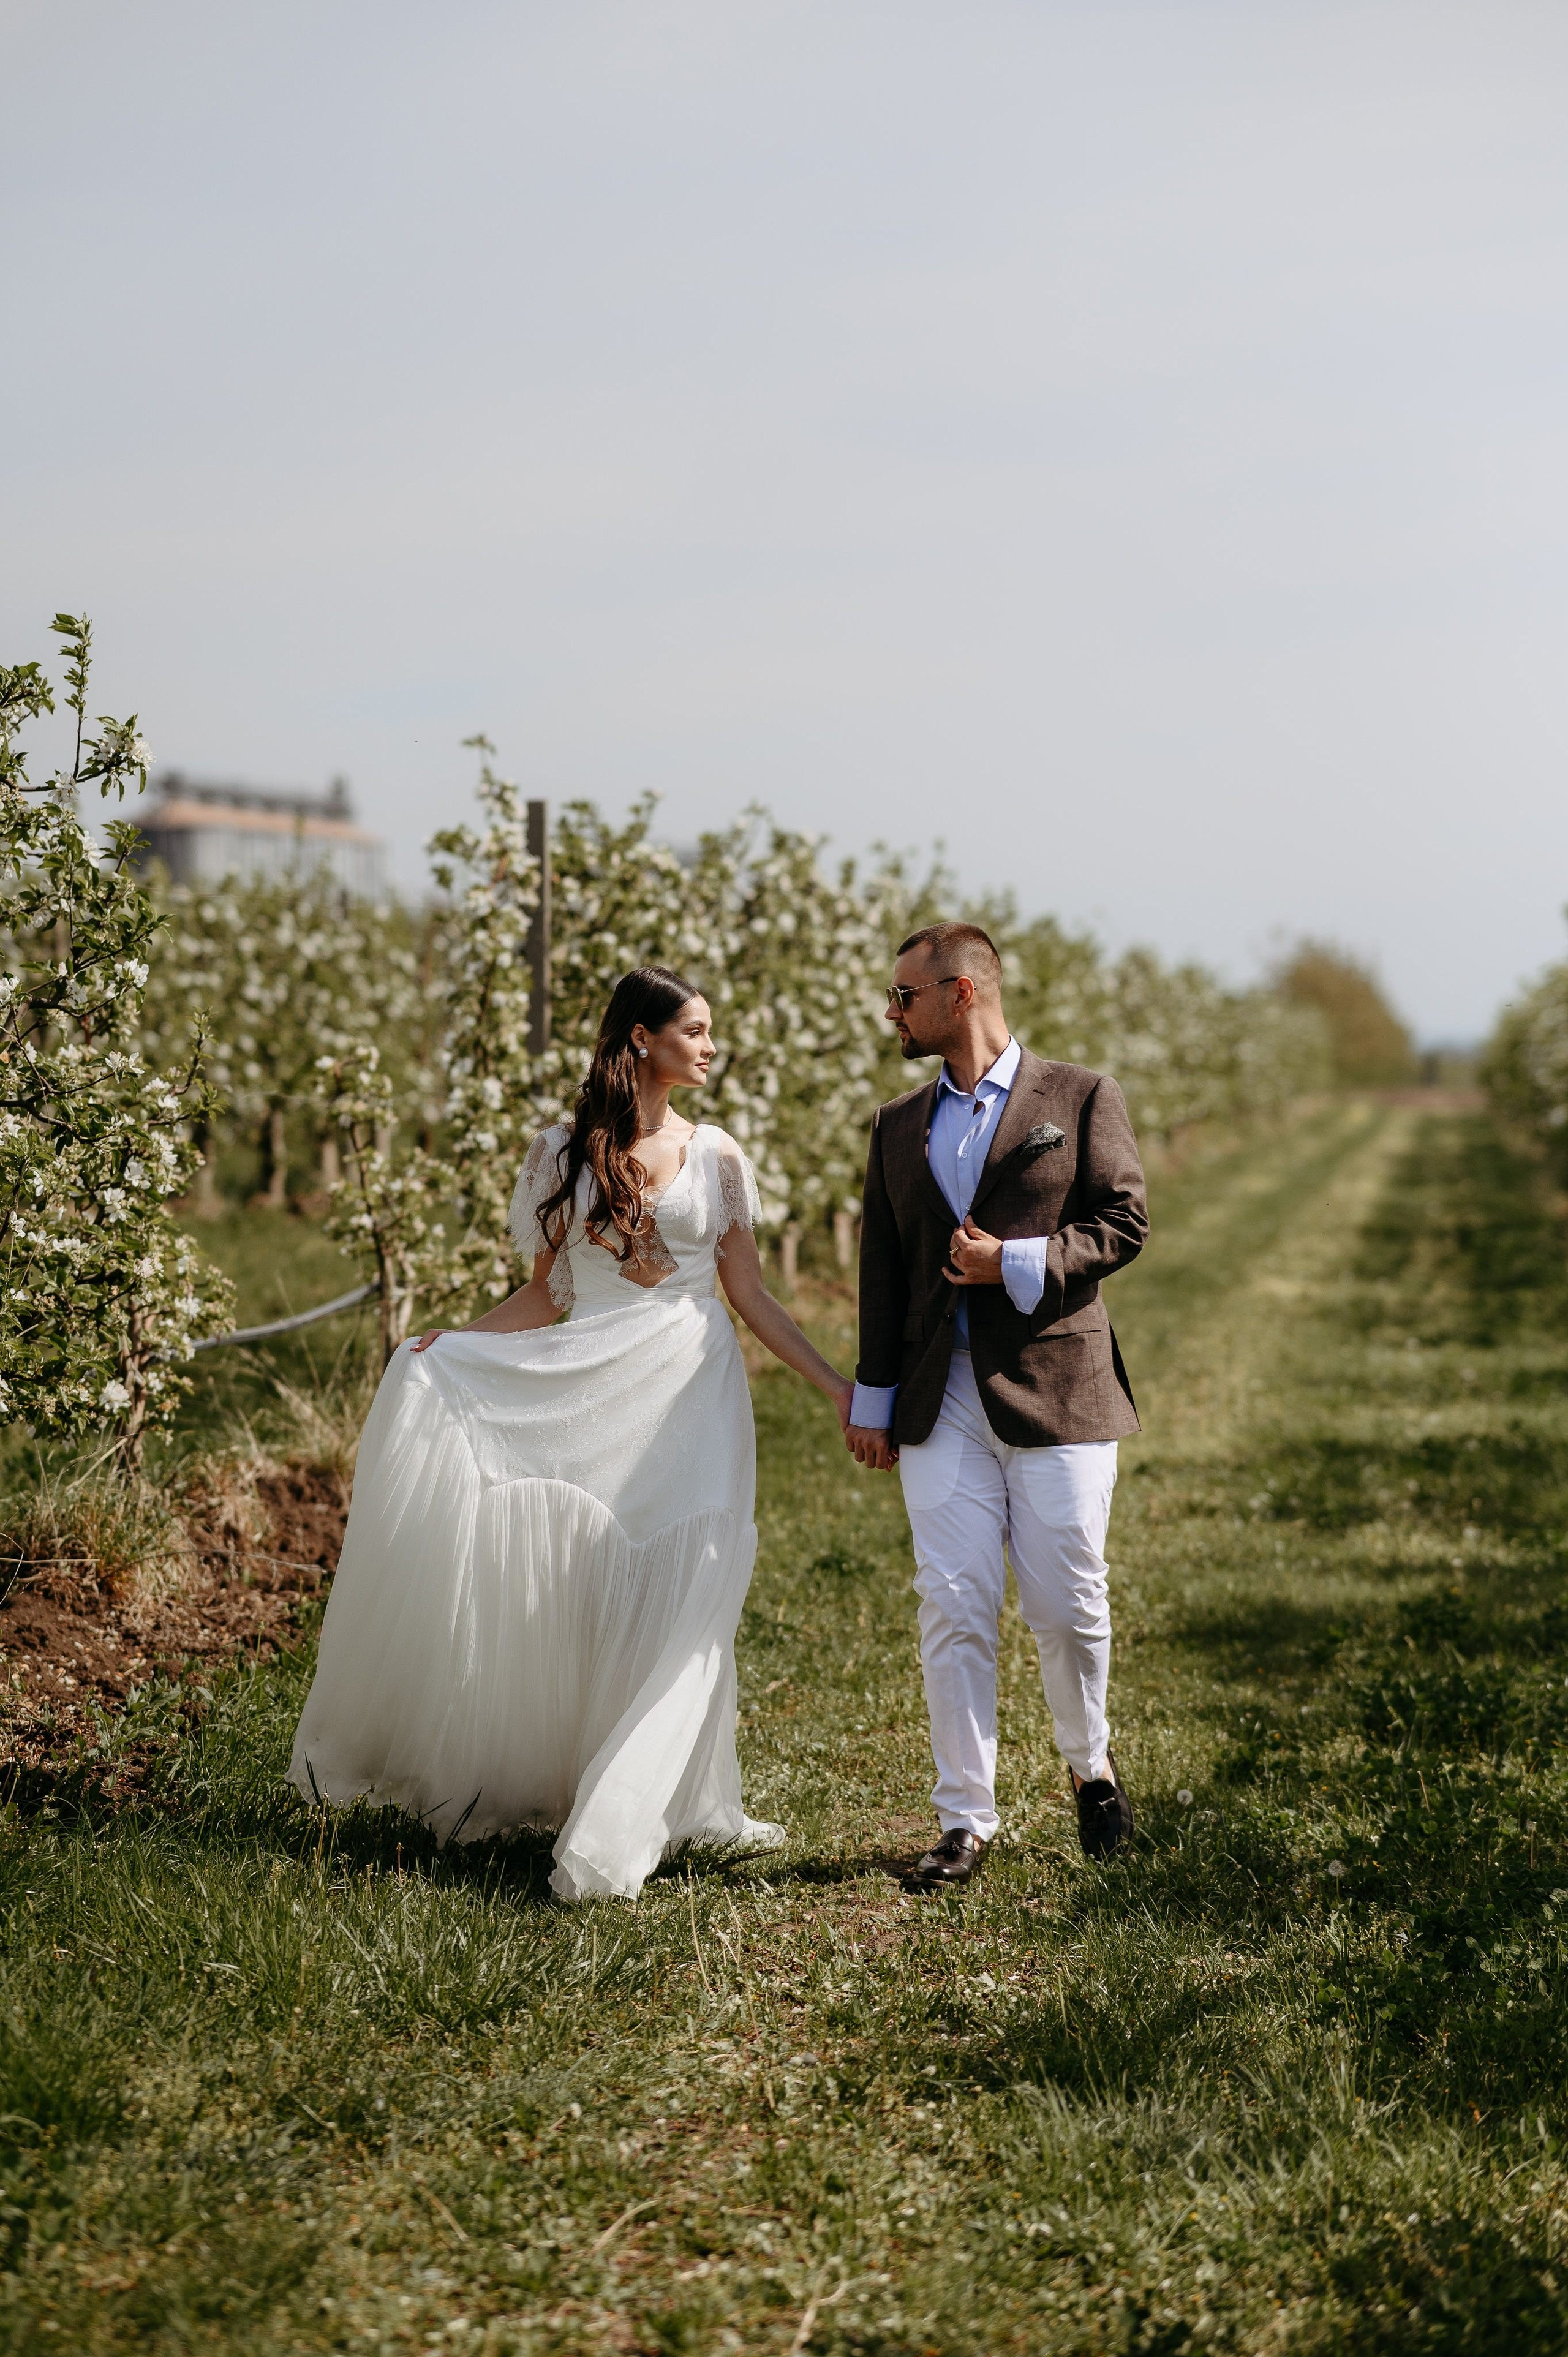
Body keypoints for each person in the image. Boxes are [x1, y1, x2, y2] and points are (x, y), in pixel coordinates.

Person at [288, 966, 854, 1902]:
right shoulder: (561, 1151)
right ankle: (570, 1781)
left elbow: (748, 1294)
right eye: (696, 1031)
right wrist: (451, 1345)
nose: (712, 1047)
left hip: (693, 1395)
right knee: (581, 1576)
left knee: (695, 1584)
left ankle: (655, 1804)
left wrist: (835, 1384)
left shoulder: (718, 1154)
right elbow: (549, 1294)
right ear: (642, 1038)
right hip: (588, 1382)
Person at [845, 922, 1148, 1890]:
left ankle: (1090, 1766)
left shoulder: (1081, 1096)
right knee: (955, 1604)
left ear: (961, 994)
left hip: (1059, 1386)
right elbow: (882, 1272)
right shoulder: (897, 1124)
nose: (892, 1012)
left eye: (905, 996)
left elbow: (1123, 1222)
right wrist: (874, 1399)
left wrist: (1014, 1262)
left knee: (1068, 1598)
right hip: (940, 1400)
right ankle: (964, 1820)